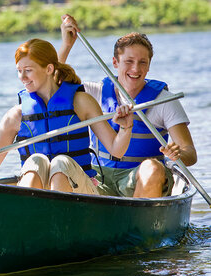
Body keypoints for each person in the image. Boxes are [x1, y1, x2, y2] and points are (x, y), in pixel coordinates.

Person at [0, 38, 133, 195]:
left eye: (28, 70)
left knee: (60, 162)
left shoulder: (81, 102)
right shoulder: (16, 116)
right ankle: (29, 218)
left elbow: (116, 150)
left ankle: (55, 218)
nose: (22, 77)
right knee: (35, 160)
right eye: (19, 71)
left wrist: (125, 128)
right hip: (40, 197)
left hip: (83, 194)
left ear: (48, 69)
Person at [59, 14, 197, 198]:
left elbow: (190, 153)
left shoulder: (165, 101)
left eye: (142, 63)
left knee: (152, 167)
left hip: (142, 177)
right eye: (129, 61)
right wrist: (67, 45)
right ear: (115, 63)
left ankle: (136, 224)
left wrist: (178, 154)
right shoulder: (94, 93)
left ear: (149, 66)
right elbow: (54, 84)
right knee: (61, 164)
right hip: (99, 176)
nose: (136, 69)